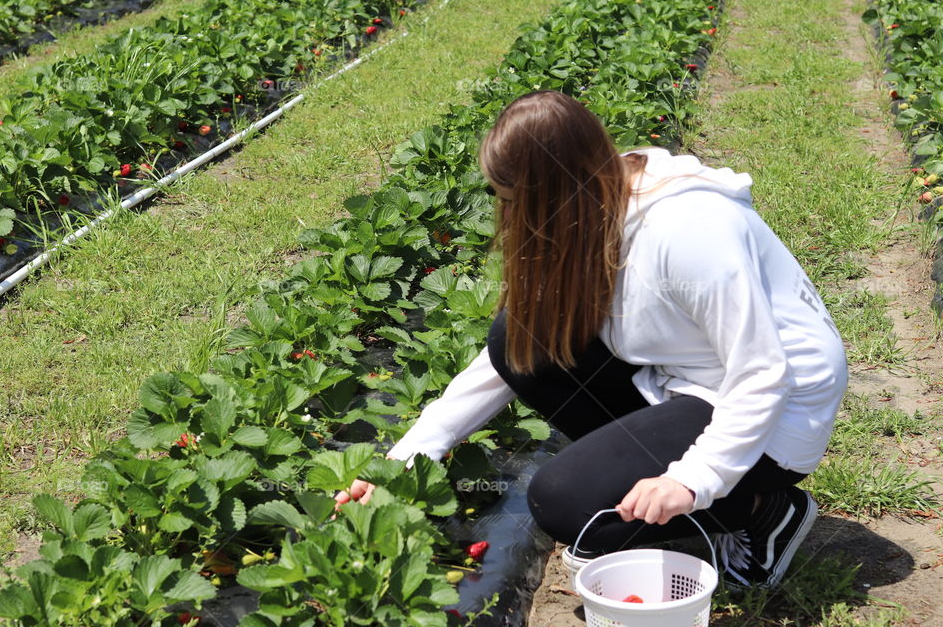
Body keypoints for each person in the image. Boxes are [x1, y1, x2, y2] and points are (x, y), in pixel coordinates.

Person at [335, 89, 848, 589]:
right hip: (687, 378)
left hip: (779, 409)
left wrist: (691, 479)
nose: (508, 217)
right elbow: (511, 355)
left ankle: (762, 510)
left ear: (551, 194)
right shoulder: (588, 207)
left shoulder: (690, 231)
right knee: (516, 336)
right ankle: (667, 484)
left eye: (514, 203)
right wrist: (403, 461)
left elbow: (761, 372)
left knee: (565, 503)